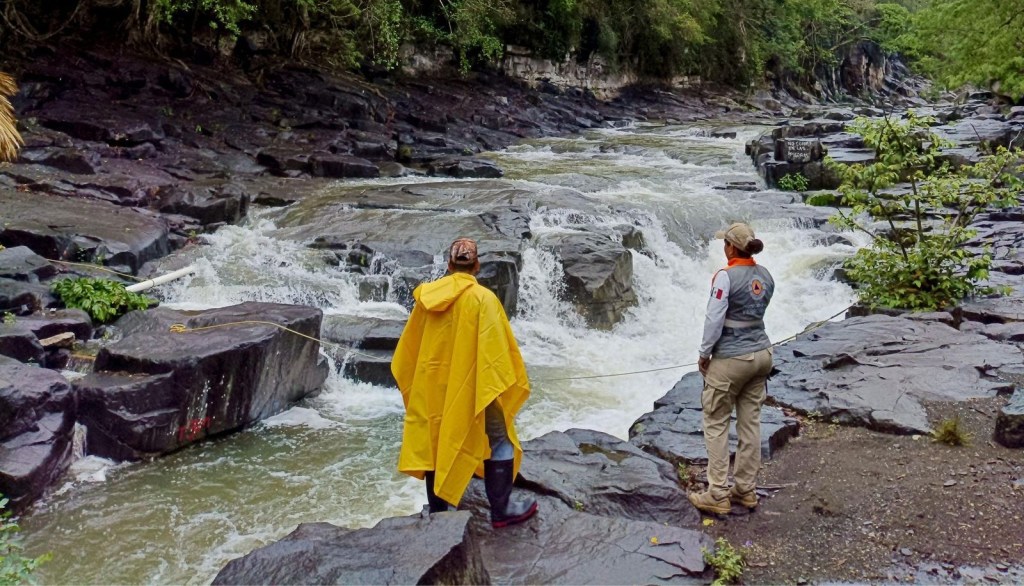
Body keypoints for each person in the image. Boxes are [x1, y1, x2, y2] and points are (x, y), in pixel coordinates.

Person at [391, 237, 538, 528]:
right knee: (500, 440)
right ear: (477, 265)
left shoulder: (427, 298)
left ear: (448, 265)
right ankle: (502, 510)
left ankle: (439, 512)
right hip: (472, 388)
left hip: (432, 387)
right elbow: (498, 356)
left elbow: (408, 351)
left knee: (434, 440)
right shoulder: (484, 299)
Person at [689, 222, 775, 516]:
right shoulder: (765, 276)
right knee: (750, 424)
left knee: (716, 422)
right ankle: (745, 490)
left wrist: (704, 354)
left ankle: (717, 493)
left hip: (731, 359)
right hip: (762, 355)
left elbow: (714, 320)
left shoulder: (725, 277)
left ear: (730, 247)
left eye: (724, 243)